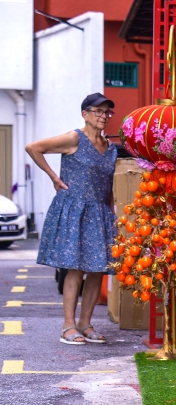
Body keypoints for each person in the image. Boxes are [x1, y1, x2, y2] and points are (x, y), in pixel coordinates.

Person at [28, 94, 117, 345]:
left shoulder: (110, 147)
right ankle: (68, 326)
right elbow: (33, 148)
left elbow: (107, 184)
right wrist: (54, 178)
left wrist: (112, 213)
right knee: (75, 268)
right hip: (74, 210)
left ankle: (85, 324)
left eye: (107, 112)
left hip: (100, 212)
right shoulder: (74, 138)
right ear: (84, 114)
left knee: (98, 269)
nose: (103, 116)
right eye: (97, 111)